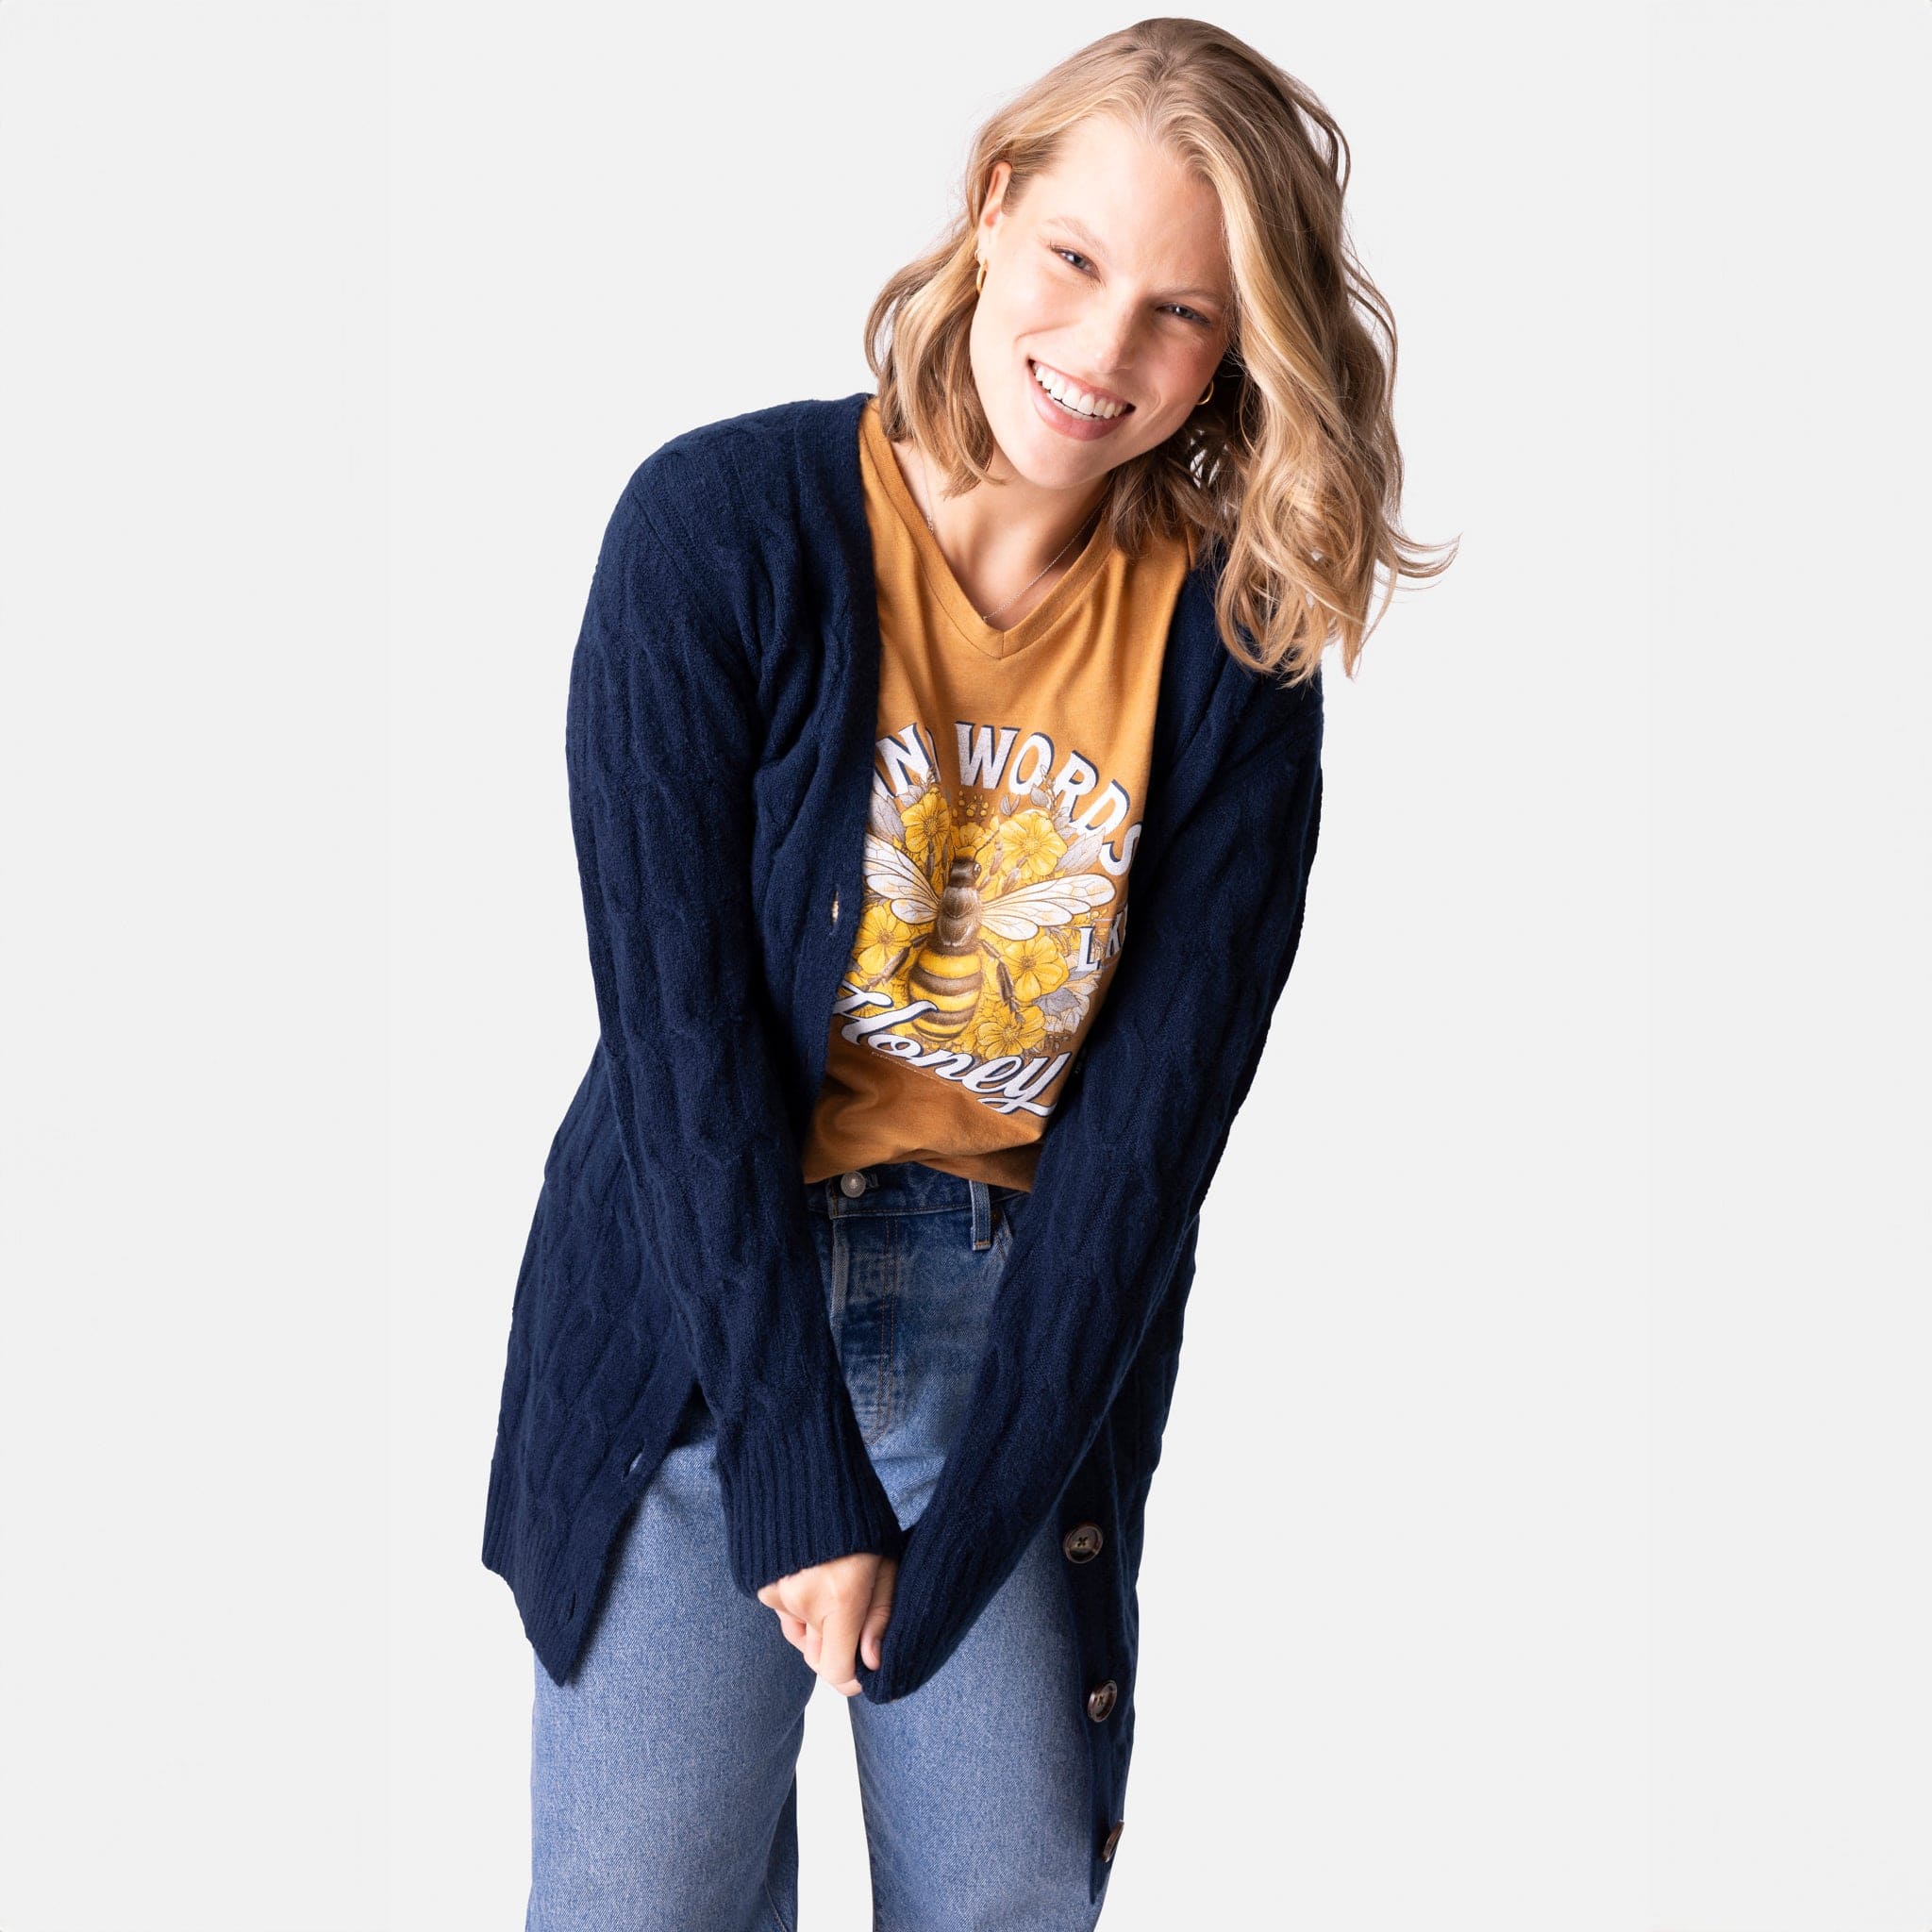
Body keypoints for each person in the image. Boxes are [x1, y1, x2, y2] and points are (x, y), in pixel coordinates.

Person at [482, 19, 1454, 1928]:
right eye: (1077, 258)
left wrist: (995, 1489)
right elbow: (680, 1048)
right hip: (698, 1319)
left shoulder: (1233, 653)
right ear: (994, 208)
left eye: (1183, 312)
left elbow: (1151, 1140)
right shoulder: (717, 531)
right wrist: (792, 1464)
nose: (1104, 350)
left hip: (1017, 1346)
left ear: (1239, 347)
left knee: (1007, 1898)